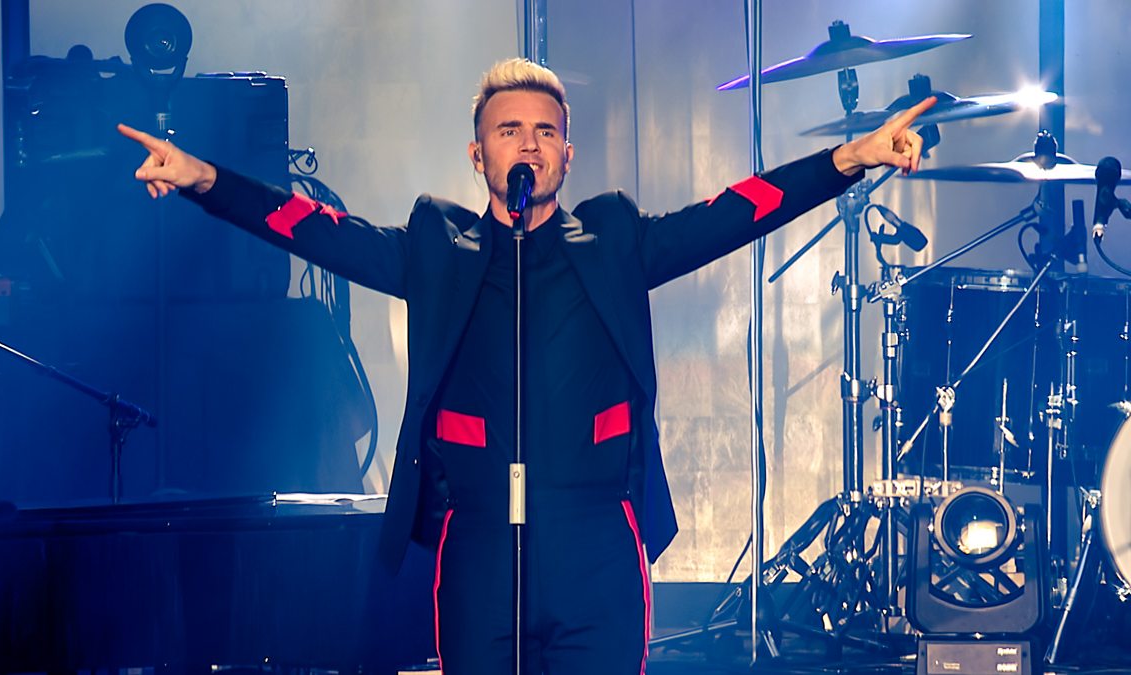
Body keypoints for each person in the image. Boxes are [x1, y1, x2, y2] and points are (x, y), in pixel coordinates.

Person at [119, 58, 933, 675]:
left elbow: (735, 212)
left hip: (593, 546)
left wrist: (850, 159)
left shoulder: (613, 241)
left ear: (566, 155)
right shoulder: (439, 250)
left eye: (544, 131)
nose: (528, 145)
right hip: (475, 545)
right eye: (510, 131)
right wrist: (203, 180)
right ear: (478, 154)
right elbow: (314, 228)